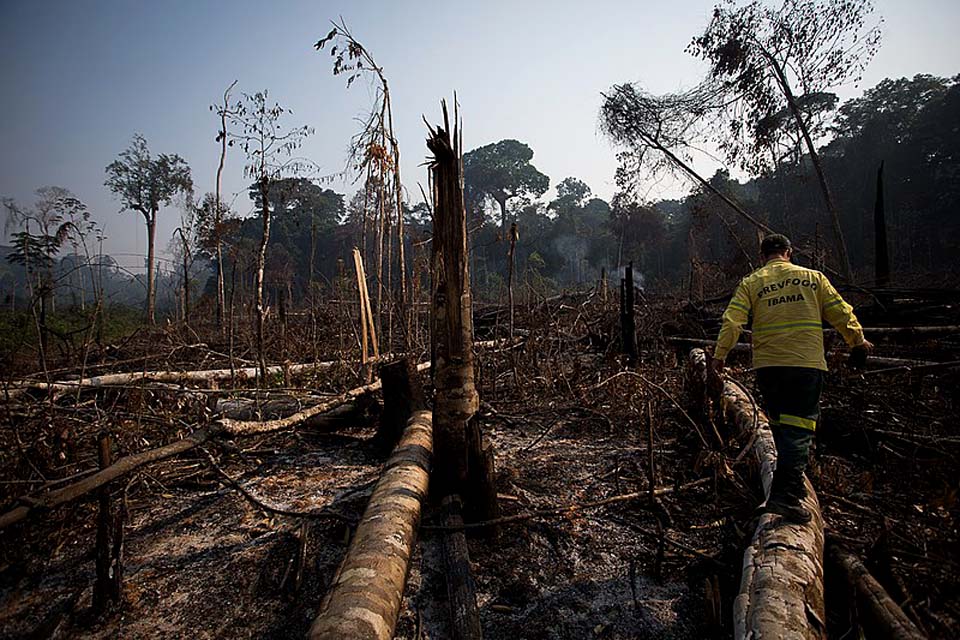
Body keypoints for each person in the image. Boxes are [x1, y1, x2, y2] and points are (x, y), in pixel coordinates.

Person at [708, 234, 873, 524]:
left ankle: (787, 491)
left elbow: (732, 322)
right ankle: (786, 497)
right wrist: (857, 341)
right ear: (789, 252)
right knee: (798, 429)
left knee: (782, 428)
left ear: (762, 257)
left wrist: (719, 357)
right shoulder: (813, 278)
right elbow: (840, 311)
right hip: (805, 364)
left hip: (768, 367)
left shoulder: (752, 283)